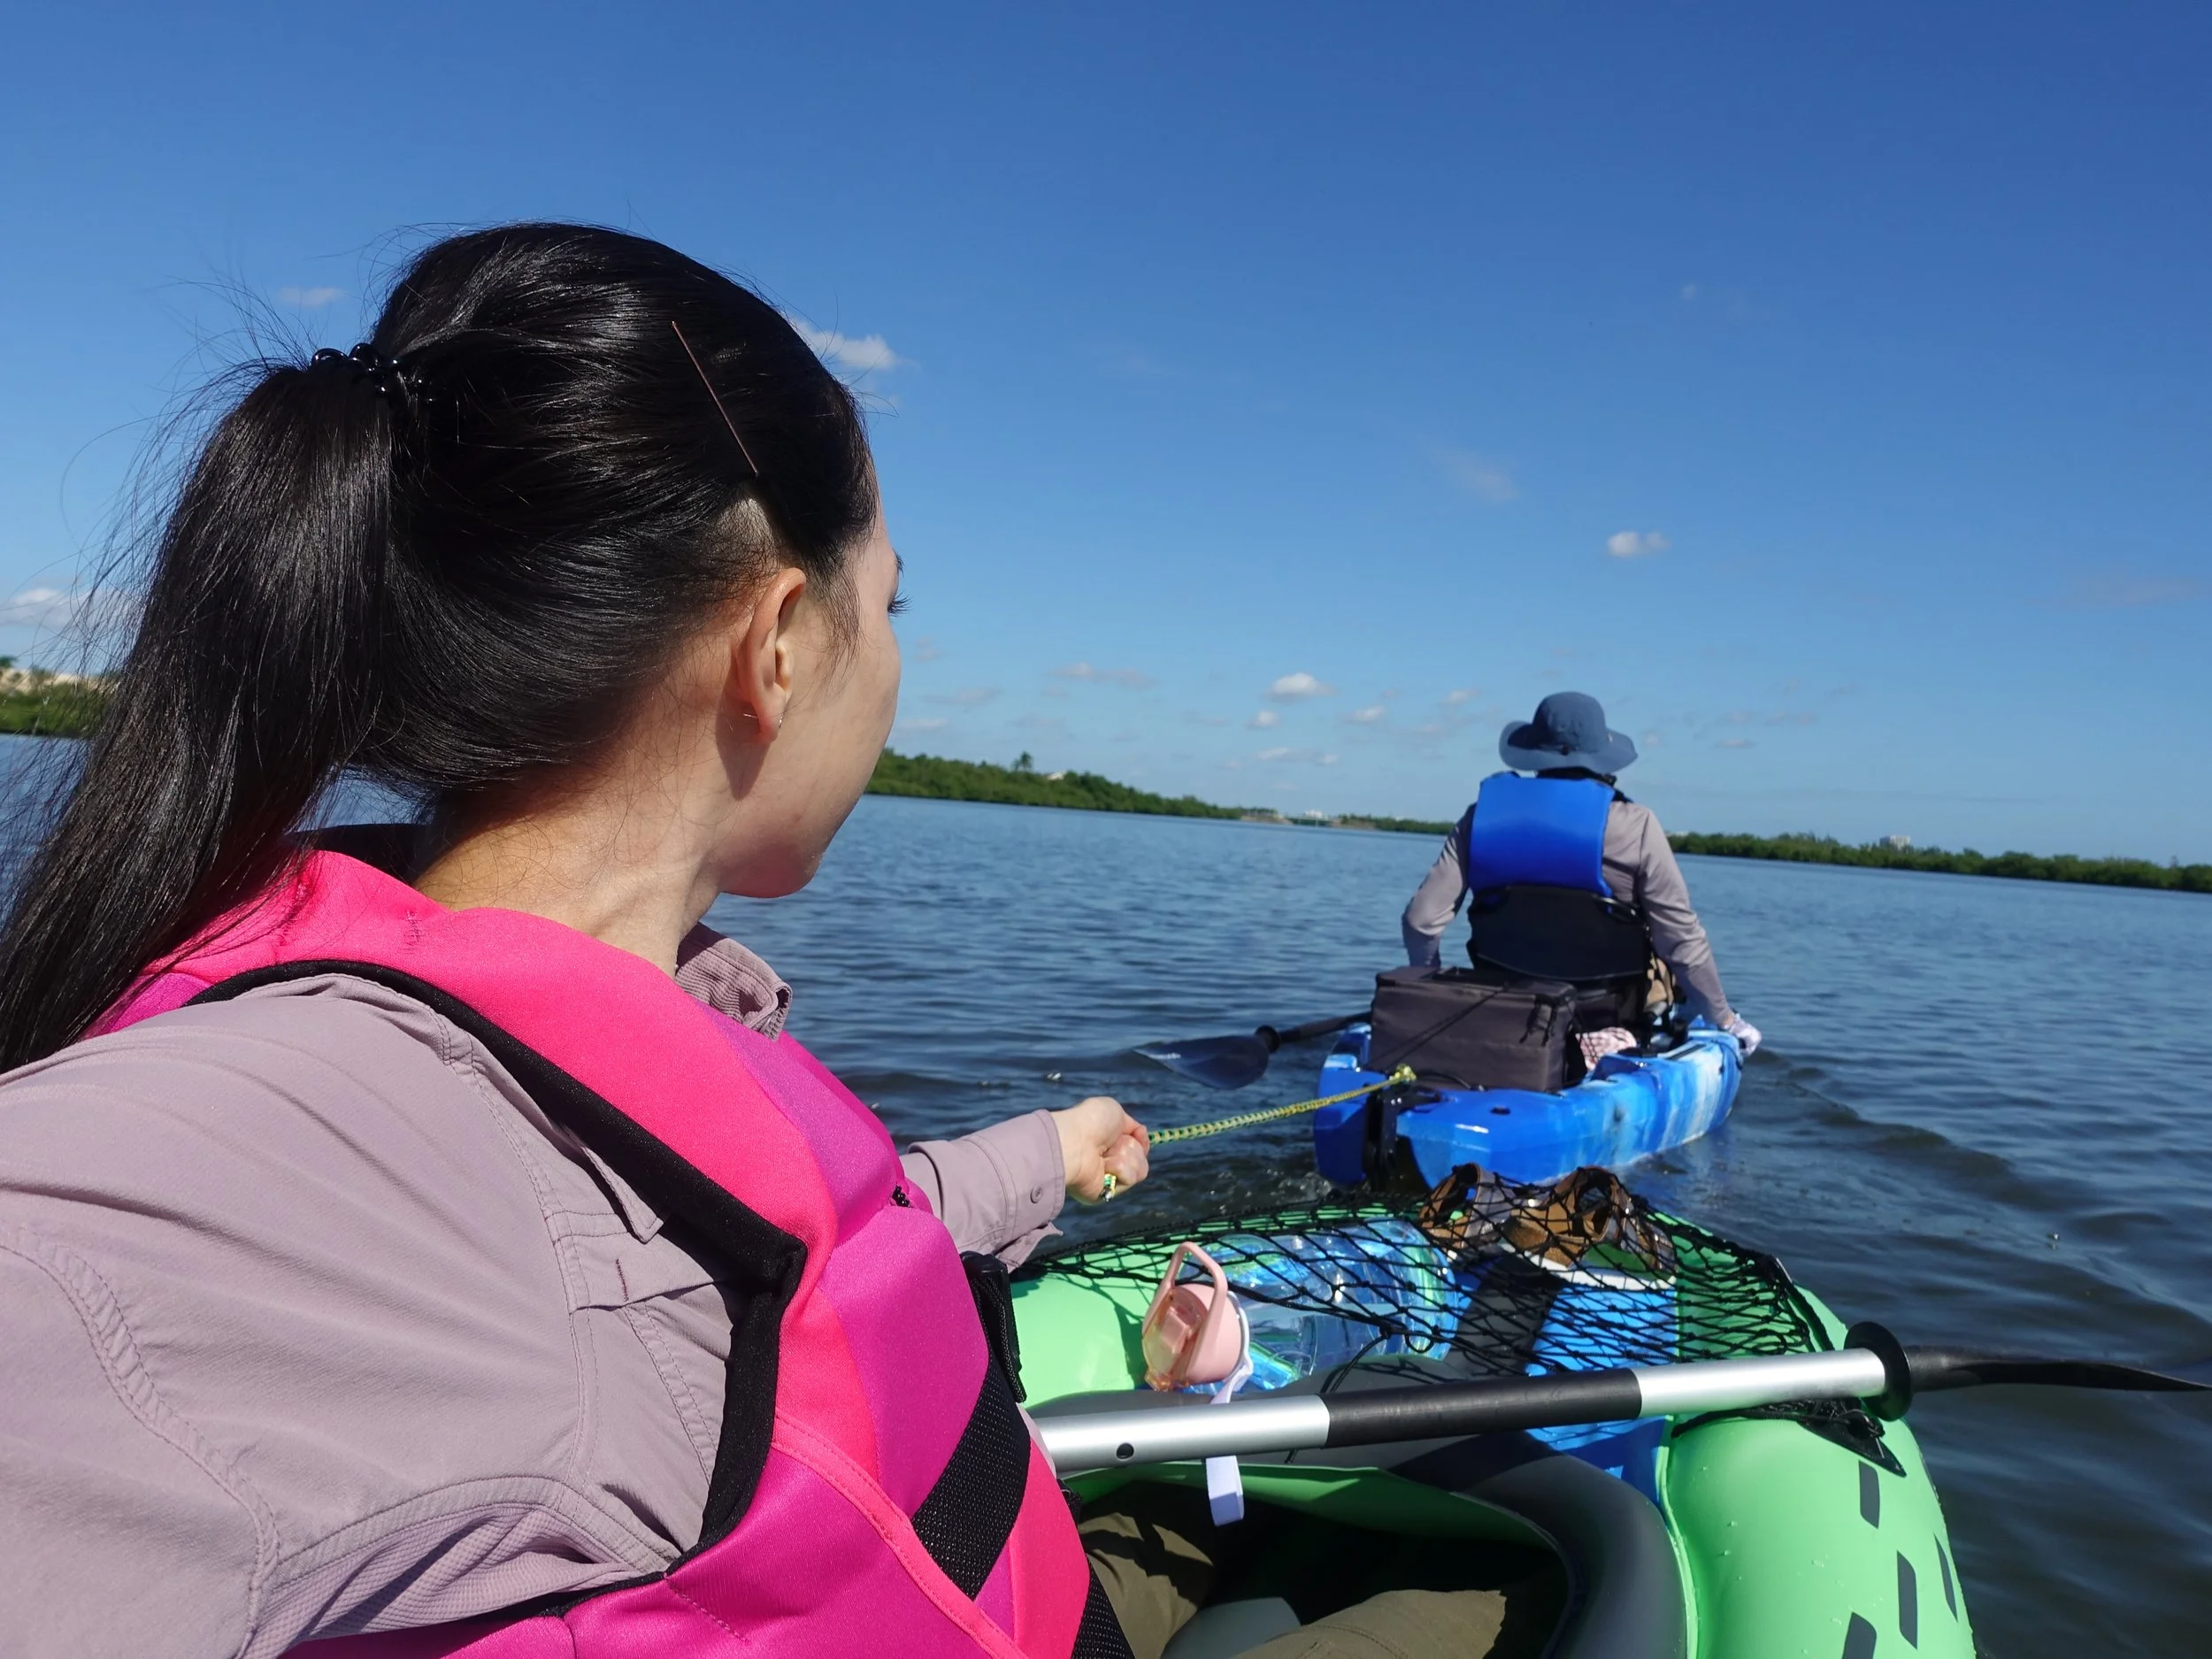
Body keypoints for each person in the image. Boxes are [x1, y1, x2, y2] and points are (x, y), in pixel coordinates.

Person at [0, 226, 1516, 1659]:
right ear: (778, 644)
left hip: (1022, 1581)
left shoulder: (615, 1006)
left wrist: (1044, 1157)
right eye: (893, 603)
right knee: (1540, 1565)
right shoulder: (211, 1186)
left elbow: (737, 1262)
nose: (898, 663)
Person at [1401, 691, 1761, 1056]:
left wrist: (1428, 986)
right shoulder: (1636, 826)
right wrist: (1726, 1020)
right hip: (1604, 1012)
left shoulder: (1479, 818)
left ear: (1534, 753)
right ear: (1601, 758)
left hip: (1506, 1004)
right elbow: (1680, 940)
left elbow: (1420, 921)